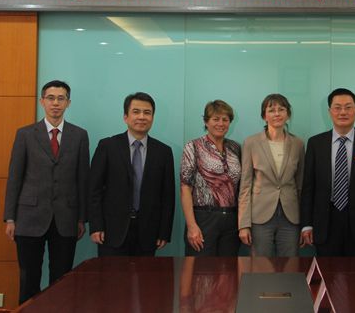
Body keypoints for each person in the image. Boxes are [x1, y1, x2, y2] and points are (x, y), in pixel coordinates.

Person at [3, 80, 90, 303]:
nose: (55, 103)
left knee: (62, 280)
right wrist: (10, 217)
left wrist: (82, 218)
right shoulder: (25, 134)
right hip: (29, 217)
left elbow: (83, 179)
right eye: (51, 98)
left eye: (61, 99)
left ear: (68, 103)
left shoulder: (79, 135)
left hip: (66, 218)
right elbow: (15, 178)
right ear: (42, 101)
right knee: (29, 279)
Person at [300, 88, 355, 256]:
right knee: (327, 269)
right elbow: (308, 187)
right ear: (329, 111)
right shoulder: (315, 143)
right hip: (325, 222)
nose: (343, 112)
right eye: (337, 107)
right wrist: (306, 224)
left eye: (348, 107)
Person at [88, 92, 175, 256]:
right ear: (125, 117)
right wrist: (96, 226)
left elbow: (168, 196)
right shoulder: (107, 146)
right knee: (112, 274)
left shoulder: (163, 152)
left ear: (152, 117)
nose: (142, 117)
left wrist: (164, 232)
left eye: (147, 112)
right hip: (111, 231)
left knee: (145, 274)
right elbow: (94, 190)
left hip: (148, 232)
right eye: (136, 112)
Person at [238, 93, 305, 256]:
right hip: (260, 215)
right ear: (264, 116)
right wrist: (243, 224)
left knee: (290, 265)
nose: (277, 114)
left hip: (290, 216)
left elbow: (301, 185)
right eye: (271, 110)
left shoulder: (298, 144)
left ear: (288, 114)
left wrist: (305, 224)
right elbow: (245, 186)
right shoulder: (251, 143)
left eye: (281, 109)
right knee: (260, 265)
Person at [180, 100, 242, 256]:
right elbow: (185, 188)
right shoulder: (193, 146)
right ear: (206, 121)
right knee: (202, 269)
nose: (221, 123)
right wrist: (192, 226)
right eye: (216, 119)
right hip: (203, 219)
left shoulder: (235, 148)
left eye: (225, 119)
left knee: (228, 268)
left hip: (232, 220)